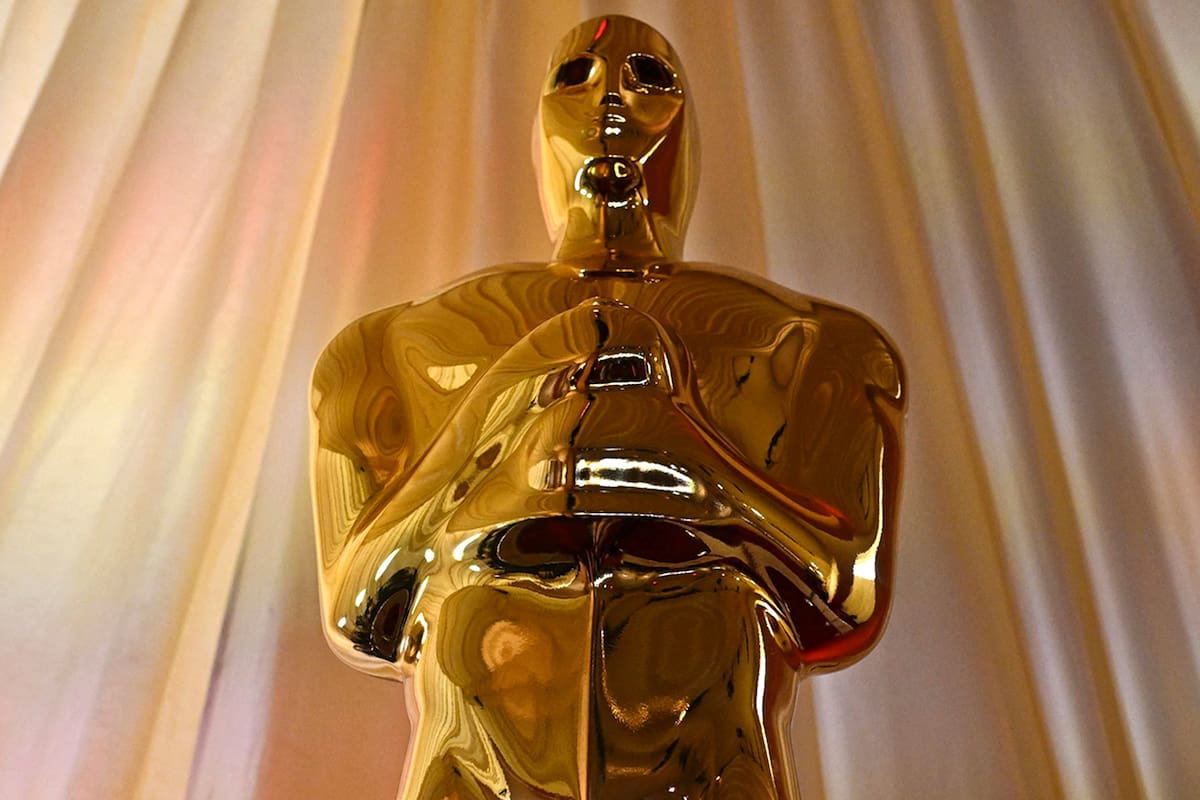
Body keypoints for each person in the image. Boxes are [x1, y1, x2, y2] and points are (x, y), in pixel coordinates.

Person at [310, 15, 905, 799]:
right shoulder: (387, 349)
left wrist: (692, 474)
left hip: (707, 763)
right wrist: (516, 399)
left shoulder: (814, 344)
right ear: (537, 124)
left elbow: (843, 598)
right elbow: (360, 608)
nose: (613, 106)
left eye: (651, 82)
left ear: (689, 128)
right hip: (475, 765)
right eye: (576, 78)